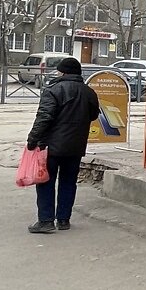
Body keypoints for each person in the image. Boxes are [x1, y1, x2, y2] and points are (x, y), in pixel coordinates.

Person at [25, 56, 98, 234]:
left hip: (51, 146)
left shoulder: (53, 90)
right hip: (75, 146)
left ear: (63, 72)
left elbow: (44, 117)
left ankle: (46, 221)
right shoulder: (89, 92)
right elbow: (94, 115)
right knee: (68, 182)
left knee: (45, 182)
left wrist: (32, 140)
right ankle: (64, 219)